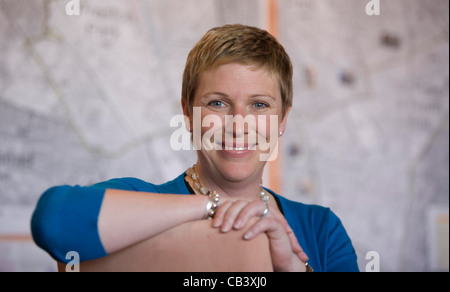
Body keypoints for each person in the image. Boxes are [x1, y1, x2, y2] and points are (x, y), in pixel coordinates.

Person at [31, 24, 359, 272]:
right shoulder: (143, 205)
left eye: (259, 105)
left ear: (282, 120)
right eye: (218, 103)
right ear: (189, 115)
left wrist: (291, 268)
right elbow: (54, 222)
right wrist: (212, 207)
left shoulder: (321, 231)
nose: (239, 123)